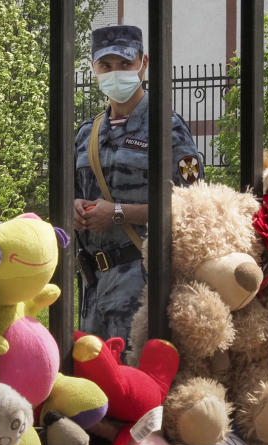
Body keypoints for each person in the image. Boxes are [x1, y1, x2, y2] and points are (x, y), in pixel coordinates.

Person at [74, 24, 204, 343]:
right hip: (92, 283)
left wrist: (118, 213)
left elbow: (193, 206)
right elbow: (73, 192)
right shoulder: (86, 134)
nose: (115, 73)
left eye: (124, 64)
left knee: (135, 383)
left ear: (142, 64)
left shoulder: (166, 128)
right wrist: (74, 207)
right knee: (92, 384)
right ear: (93, 68)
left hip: (141, 280)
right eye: (106, 66)